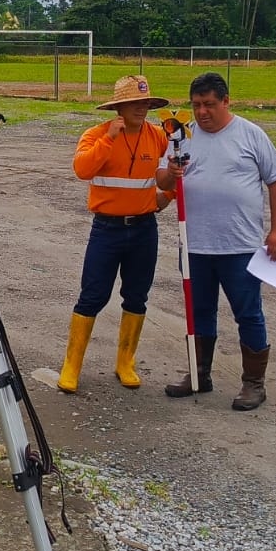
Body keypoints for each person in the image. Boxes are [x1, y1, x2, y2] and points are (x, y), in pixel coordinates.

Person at [161, 72, 276, 410]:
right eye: (196, 105)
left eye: (209, 104)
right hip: (195, 245)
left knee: (248, 313)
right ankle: (199, 373)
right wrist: (171, 173)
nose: (202, 112)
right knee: (199, 312)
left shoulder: (250, 134)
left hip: (240, 246)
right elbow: (161, 179)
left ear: (226, 101)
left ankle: (254, 384)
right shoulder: (181, 135)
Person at [61, 74, 175, 393]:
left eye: (145, 103)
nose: (142, 108)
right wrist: (109, 139)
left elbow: (172, 174)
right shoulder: (96, 135)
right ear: (119, 108)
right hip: (106, 230)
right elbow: (82, 169)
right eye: (135, 103)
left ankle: (125, 362)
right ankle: (72, 365)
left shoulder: (158, 137)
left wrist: (169, 195)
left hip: (144, 229)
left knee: (137, 296)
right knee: (93, 295)